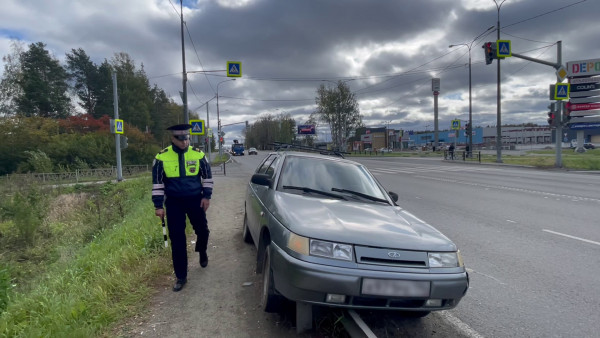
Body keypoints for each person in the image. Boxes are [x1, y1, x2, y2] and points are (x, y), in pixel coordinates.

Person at [152, 124, 213, 292]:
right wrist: (158, 206)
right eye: (181, 139)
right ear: (173, 139)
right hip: (173, 203)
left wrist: (206, 196)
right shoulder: (161, 157)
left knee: (203, 231)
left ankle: (202, 250)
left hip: (195, 200)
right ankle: (181, 276)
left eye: (187, 138)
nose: (184, 142)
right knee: (177, 240)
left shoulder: (198, 155)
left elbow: (207, 177)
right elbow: (157, 184)